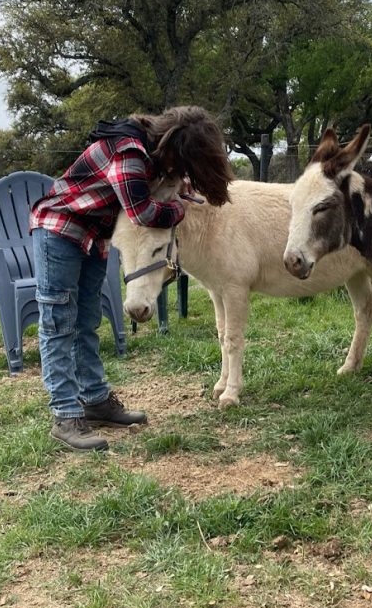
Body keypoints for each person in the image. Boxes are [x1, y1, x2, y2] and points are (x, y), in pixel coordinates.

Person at [30, 105, 233, 451]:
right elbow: (143, 212)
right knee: (59, 323)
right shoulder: (129, 152)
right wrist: (181, 209)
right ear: (173, 146)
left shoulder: (154, 158)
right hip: (60, 230)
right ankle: (65, 416)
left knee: (86, 322)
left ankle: (94, 401)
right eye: (183, 164)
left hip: (94, 236)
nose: (181, 173)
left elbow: (176, 192)